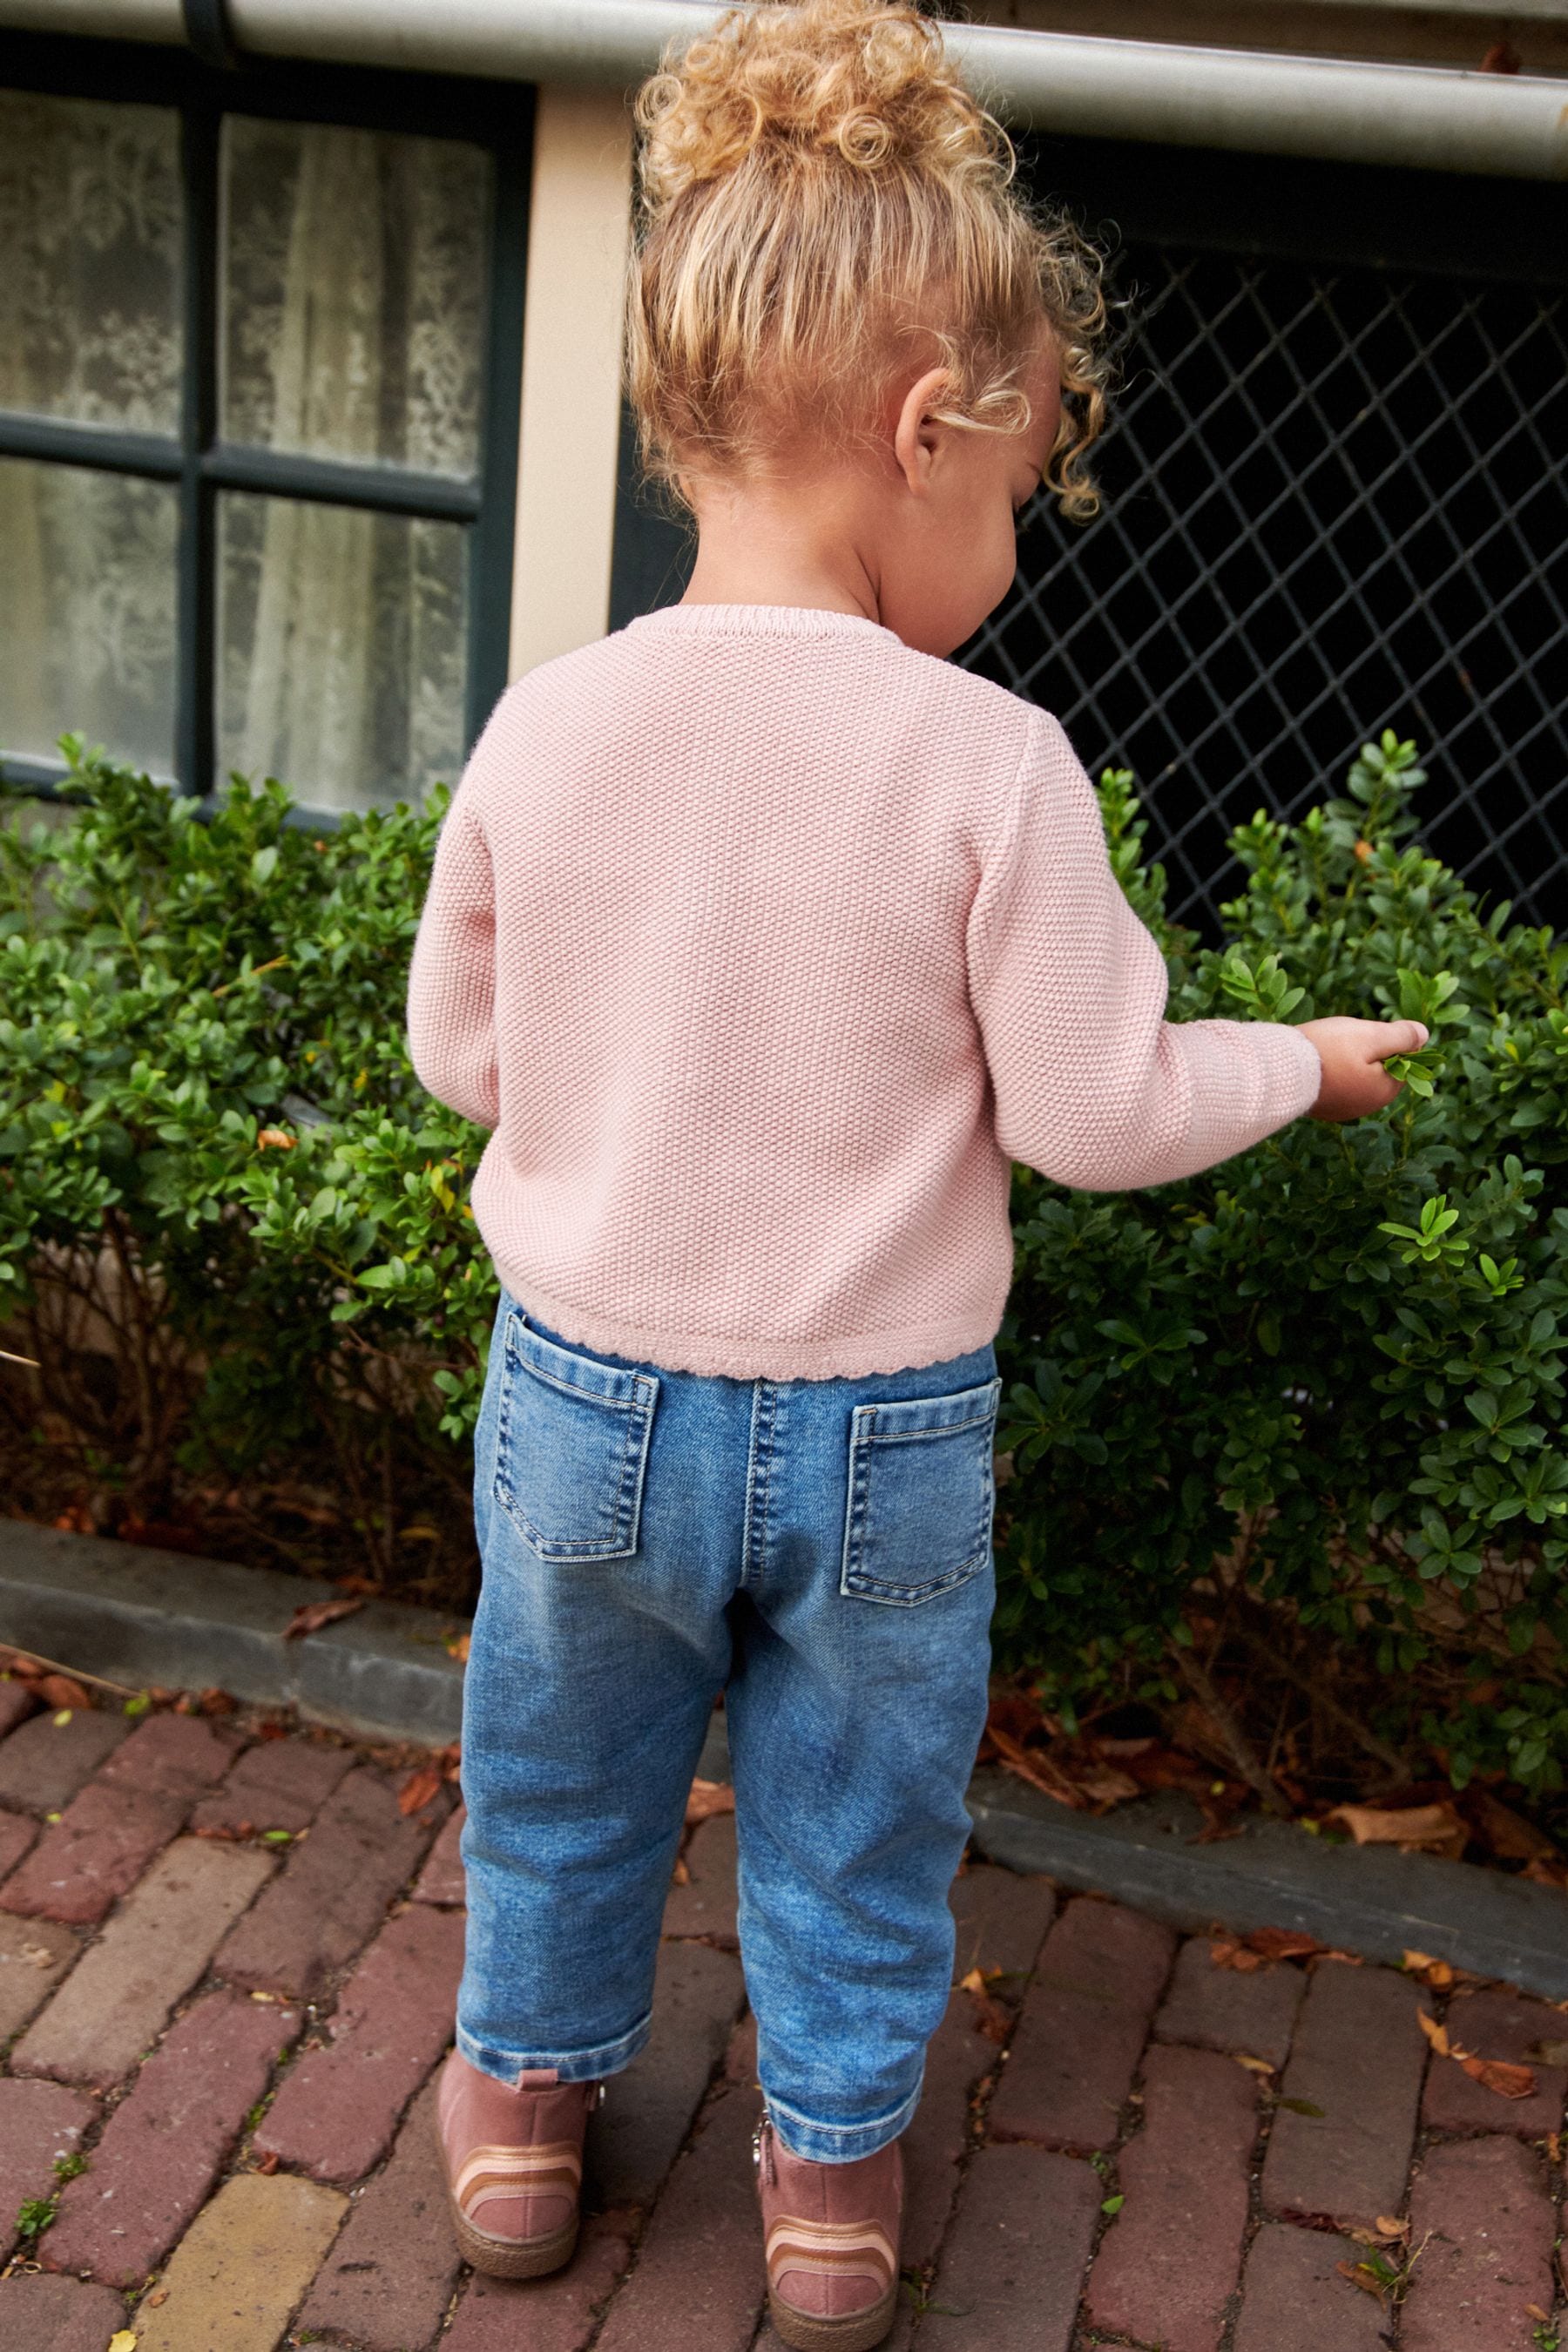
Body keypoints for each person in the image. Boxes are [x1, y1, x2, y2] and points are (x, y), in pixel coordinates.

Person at [406, 3, 1427, 2342]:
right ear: (914, 431)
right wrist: (1298, 1067)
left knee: (557, 1771)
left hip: (585, 1404)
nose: (1010, 548)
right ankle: (834, 2187)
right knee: (859, 1819)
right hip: (885, 1438)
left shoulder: (553, 723)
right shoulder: (992, 766)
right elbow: (1094, 1107)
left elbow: (463, 1047)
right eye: (1012, 491)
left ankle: (530, 2118)